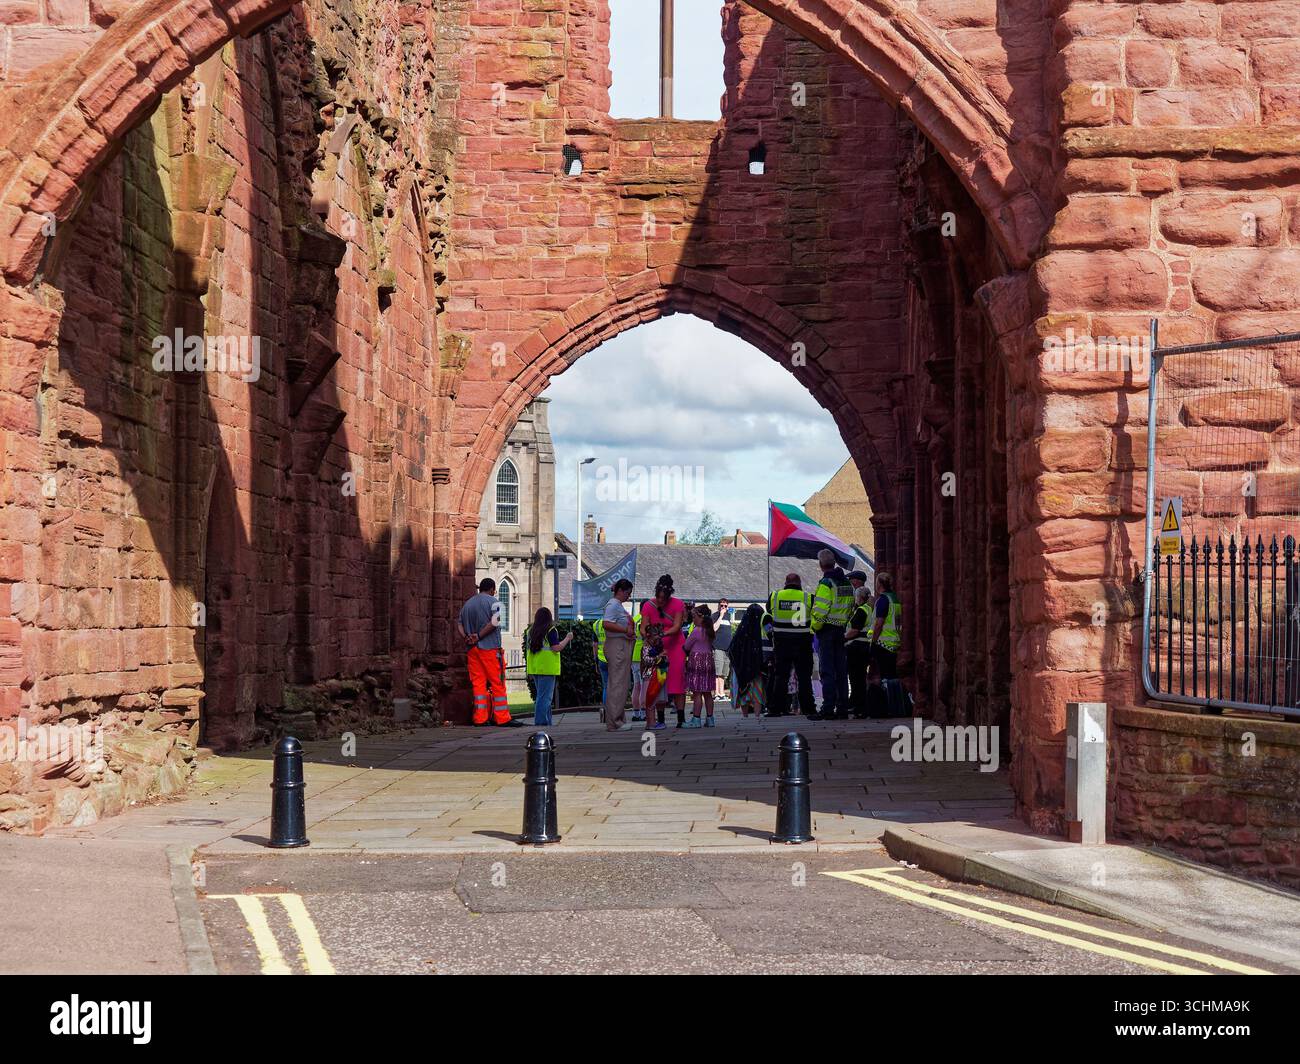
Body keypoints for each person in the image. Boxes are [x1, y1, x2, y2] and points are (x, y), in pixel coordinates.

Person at [457, 578, 521, 727]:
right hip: (490, 649)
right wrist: (479, 636)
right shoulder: (495, 602)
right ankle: (502, 718)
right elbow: (495, 622)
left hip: (472, 651)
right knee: (497, 683)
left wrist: (467, 637)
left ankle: (480, 718)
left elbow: (459, 624)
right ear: (492, 589)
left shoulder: (467, 604)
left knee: (478, 685)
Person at [810, 548, 854, 720]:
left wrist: (816, 627)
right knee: (841, 671)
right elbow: (851, 607)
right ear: (834, 563)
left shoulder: (826, 584)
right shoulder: (846, 583)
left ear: (821, 565)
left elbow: (820, 609)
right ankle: (842, 708)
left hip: (826, 630)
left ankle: (828, 708)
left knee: (827, 671)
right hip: (840, 630)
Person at [641, 575, 686, 727]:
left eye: (663, 598)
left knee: (678, 681)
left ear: (669, 596)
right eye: (658, 597)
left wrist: (663, 634)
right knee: (658, 681)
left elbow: (677, 626)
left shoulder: (678, 604)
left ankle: (681, 719)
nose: (660, 601)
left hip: (675, 646)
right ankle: (660, 720)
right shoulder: (648, 605)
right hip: (658, 647)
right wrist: (648, 636)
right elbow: (643, 626)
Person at [768, 572, 815, 717]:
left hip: (782, 644)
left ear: (785, 583)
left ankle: (776, 709)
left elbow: (769, 612)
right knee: (804, 678)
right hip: (803, 643)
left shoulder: (775, 596)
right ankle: (808, 709)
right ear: (800, 584)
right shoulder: (808, 597)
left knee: (781, 676)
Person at [524, 607, 572, 727]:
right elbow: (556, 648)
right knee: (545, 698)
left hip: (535, 668)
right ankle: (541, 723)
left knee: (542, 697)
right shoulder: (551, 630)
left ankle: (548, 722)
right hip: (547, 668)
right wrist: (567, 638)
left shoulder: (530, 631)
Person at [601, 578, 636, 731]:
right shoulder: (613, 605)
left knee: (621, 684)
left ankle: (619, 718)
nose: (629, 596)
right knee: (617, 684)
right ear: (620, 591)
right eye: (627, 593)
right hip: (617, 646)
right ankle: (615, 721)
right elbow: (606, 623)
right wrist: (625, 630)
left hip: (621, 646)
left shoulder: (617, 605)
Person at [728, 603, 768, 718]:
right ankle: (757, 715)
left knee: (744, 693)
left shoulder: (741, 630)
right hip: (758, 668)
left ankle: (745, 715)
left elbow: (733, 649)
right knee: (757, 692)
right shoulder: (762, 629)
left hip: (742, 668)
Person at [683, 603, 717, 728]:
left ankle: (696, 719)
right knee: (707, 692)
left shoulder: (696, 631)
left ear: (700, 617)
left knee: (697, 692)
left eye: (694, 617)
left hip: (697, 661)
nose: (693, 619)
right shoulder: (710, 631)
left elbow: (686, 646)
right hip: (709, 661)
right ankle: (710, 718)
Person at [845, 586, 873, 719]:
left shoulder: (861, 610)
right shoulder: (870, 609)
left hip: (856, 647)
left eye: (856, 597)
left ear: (860, 598)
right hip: (865, 646)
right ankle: (862, 706)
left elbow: (854, 630)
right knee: (861, 678)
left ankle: (858, 707)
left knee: (855, 678)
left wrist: (842, 638)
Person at [870, 571, 903, 682]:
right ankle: (894, 698)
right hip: (894, 642)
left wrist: (873, 642)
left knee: (885, 678)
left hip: (883, 643)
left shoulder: (883, 600)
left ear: (879, 584)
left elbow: (879, 623)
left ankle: (889, 698)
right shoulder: (895, 599)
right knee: (892, 676)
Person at [712, 601, 733, 700]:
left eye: (725, 606)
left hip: (727, 648)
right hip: (718, 647)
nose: (723, 607)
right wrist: (720, 615)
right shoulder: (715, 616)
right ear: (718, 606)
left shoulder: (728, 616)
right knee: (718, 672)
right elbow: (714, 628)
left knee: (724, 673)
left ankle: (722, 693)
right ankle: (717, 693)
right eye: (722, 605)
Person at [630, 603, 646, 722]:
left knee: (636, 686)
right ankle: (644, 713)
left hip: (633, 655)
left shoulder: (633, 619)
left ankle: (636, 713)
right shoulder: (646, 620)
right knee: (644, 685)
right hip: (643, 656)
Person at [592, 616, 608, 708]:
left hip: (601, 659)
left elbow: (595, 644)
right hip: (613, 659)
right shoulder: (613, 622)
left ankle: (606, 711)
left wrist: (596, 661)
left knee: (606, 687)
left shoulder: (596, 624)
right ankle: (613, 711)